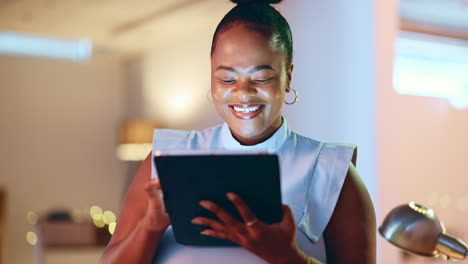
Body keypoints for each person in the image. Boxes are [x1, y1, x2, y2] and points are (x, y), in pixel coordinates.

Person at [101, 0, 376, 263]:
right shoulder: (167, 156)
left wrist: (287, 257)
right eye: (227, 78)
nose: (243, 93)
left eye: (262, 77)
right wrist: (150, 226)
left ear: (288, 76)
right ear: (211, 76)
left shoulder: (330, 170)